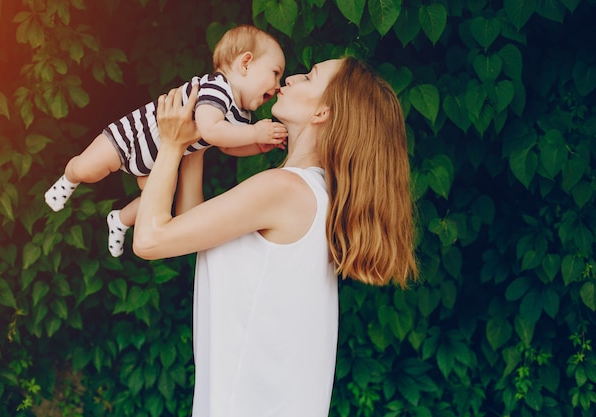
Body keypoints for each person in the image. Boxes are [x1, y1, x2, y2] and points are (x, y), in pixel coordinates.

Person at [133, 56, 418, 417]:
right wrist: (196, 141)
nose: (294, 77)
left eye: (310, 76)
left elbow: (149, 240)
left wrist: (172, 146)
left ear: (322, 113)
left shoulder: (285, 190)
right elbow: (193, 228)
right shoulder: (313, 194)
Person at [44, 24, 287, 256]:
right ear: (246, 63)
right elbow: (211, 130)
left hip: (158, 161)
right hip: (130, 137)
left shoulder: (241, 114)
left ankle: (119, 220)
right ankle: (69, 178)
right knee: (87, 169)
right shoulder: (217, 88)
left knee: (158, 197)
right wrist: (255, 133)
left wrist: (256, 146)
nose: (277, 87)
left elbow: (225, 145)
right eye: (275, 73)